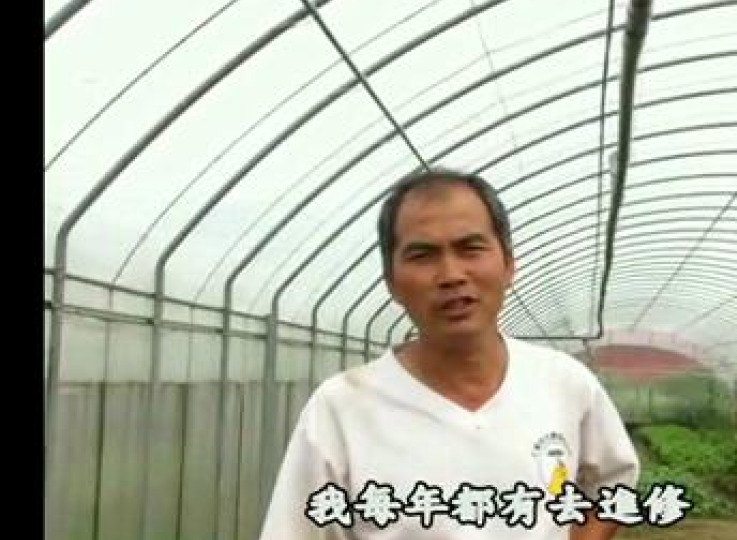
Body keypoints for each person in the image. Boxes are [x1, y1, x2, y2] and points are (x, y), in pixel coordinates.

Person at [258, 168, 640, 539]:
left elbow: (614, 480)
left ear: (509, 265)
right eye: (422, 255)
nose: (451, 274)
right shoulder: (342, 408)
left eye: (470, 248)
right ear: (391, 282)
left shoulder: (564, 383)